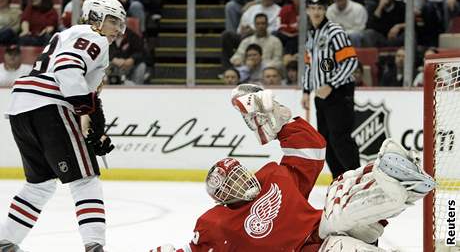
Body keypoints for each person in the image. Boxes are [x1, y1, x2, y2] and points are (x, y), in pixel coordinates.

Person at [152, 84, 435, 252]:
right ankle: (397, 191)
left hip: (327, 227)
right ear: (222, 199)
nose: (241, 181)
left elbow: (311, 150)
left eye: (239, 174)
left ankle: (404, 187)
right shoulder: (216, 224)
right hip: (319, 250)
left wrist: (276, 118)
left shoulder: (273, 177)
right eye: (232, 184)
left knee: (342, 191)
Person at [0, 0, 126, 252]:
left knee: (40, 184)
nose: (118, 29)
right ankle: (95, 246)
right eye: (113, 20)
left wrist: (96, 131)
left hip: (22, 107)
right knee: (86, 179)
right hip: (48, 105)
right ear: (96, 17)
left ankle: (6, 241)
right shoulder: (95, 36)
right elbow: (67, 68)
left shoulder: (69, 34)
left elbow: (89, 95)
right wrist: (82, 112)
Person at [302, 0, 361, 179]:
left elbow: (351, 61)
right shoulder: (311, 34)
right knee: (325, 142)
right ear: (306, 10)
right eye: (312, 8)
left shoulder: (335, 31)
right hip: (321, 95)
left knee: (340, 139)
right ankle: (340, 180)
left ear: (325, 9)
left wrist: (331, 84)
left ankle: (357, 180)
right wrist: (306, 90)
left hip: (339, 93)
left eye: (320, 8)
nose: (316, 12)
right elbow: (309, 64)